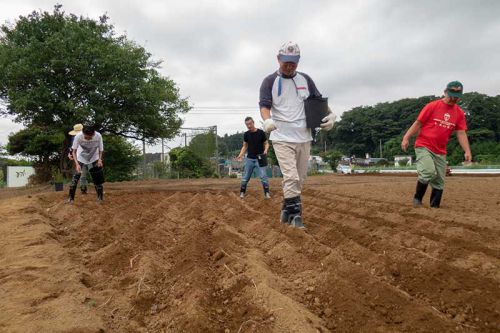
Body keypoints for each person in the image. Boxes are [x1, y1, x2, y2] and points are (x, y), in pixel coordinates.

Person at [259, 41, 336, 229]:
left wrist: (331, 115)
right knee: (291, 177)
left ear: (298, 61)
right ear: (278, 59)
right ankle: (296, 215)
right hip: (282, 136)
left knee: (300, 179)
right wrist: (267, 120)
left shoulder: (306, 80)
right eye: (285, 61)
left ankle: (286, 209)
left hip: (304, 136)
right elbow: (264, 106)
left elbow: (318, 103)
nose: (289, 65)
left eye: (293, 62)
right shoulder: (270, 81)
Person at [401, 81, 472, 208]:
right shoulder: (432, 106)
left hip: (440, 150)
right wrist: (406, 137)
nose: (454, 98)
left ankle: (435, 208)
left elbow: (461, 133)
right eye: (451, 95)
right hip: (424, 145)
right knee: (428, 172)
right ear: (445, 92)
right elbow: (418, 123)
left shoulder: (459, 113)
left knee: (439, 181)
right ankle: (417, 199)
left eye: (457, 96)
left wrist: (467, 151)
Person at [67, 125, 105, 203]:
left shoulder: (98, 136)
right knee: (75, 178)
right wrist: (77, 164)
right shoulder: (78, 136)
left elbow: (101, 149)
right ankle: (71, 198)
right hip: (81, 158)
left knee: (97, 178)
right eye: (85, 137)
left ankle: (100, 198)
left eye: (89, 137)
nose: (87, 139)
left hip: (94, 158)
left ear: (93, 134)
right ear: (82, 132)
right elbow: (73, 151)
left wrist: (100, 160)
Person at [236, 116, 270, 199]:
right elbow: (244, 146)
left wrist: (265, 150)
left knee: (263, 176)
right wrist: (240, 154)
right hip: (250, 159)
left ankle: (267, 194)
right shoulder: (246, 134)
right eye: (247, 124)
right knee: (246, 177)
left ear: (253, 122)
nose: (249, 126)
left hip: (260, 158)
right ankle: (242, 193)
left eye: (250, 124)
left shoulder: (261, 132)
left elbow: (266, 143)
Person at [68, 124, 88, 194]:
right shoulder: (74, 137)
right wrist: (69, 153)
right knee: (81, 173)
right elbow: (72, 147)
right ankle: (83, 189)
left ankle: (85, 189)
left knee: (86, 174)